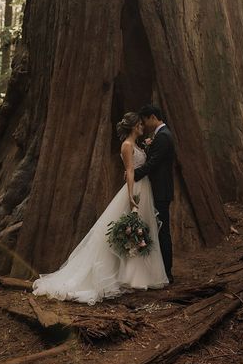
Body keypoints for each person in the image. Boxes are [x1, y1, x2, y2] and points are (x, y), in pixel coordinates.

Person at [32, 112, 168, 305]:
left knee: (142, 231)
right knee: (132, 230)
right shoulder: (127, 146)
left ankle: (138, 276)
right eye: (138, 125)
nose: (141, 127)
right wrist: (130, 196)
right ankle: (128, 276)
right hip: (136, 188)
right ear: (132, 127)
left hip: (145, 189)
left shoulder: (137, 145)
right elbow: (130, 171)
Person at [134, 105, 175, 283]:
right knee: (158, 229)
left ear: (153, 117)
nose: (144, 124)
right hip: (158, 190)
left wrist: (133, 175)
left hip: (161, 192)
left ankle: (167, 272)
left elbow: (153, 163)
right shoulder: (161, 135)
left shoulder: (163, 136)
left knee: (163, 231)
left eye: (145, 120)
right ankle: (159, 270)